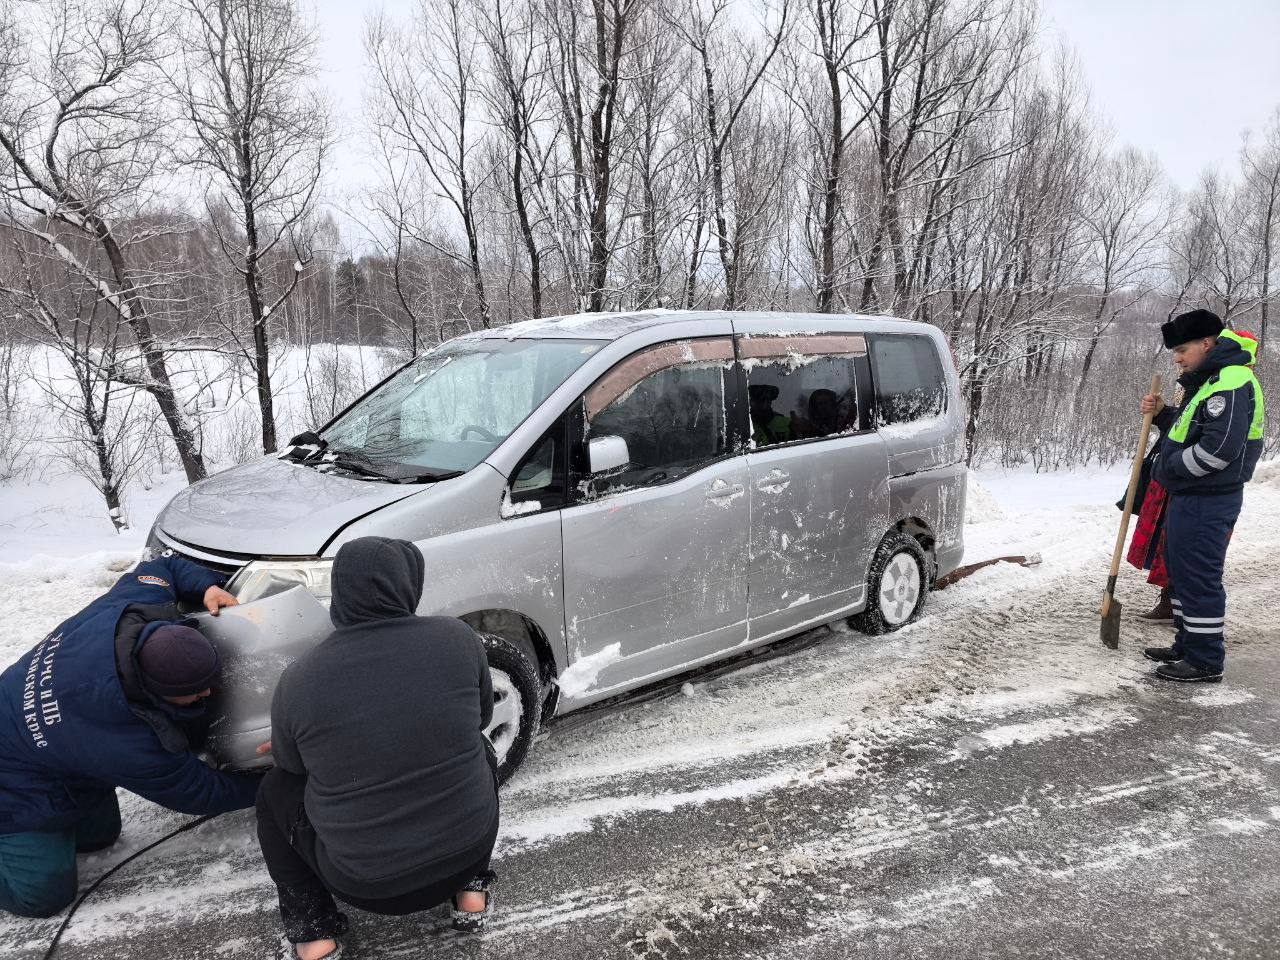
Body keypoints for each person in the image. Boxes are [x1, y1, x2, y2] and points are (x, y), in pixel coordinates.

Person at [255, 537, 499, 960]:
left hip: (367, 886)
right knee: (479, 748)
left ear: (340, 593)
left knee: (273, 791)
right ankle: (470, 891)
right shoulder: (458, 638)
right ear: (409, 585)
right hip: (469, 850)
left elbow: (292, 766)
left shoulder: (299, 680)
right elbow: (477, 720)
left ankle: (314, 934)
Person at [0, 552, 258, 918]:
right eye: (195, 692)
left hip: (43, 741)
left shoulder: (134, 606)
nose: (207, 694)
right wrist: (274, 784)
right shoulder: (124, 739)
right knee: (43, 894)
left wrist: (208, 587)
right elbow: (200, 792)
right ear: (154, 690)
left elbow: (163, 563)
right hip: (13, 783)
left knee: (99, 837)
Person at [1140, 309, 1265, 682]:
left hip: (1209, 497)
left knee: (1198, 576)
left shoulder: (1230, 381)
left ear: (1206, 344)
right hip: (1190, 494)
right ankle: (1188, 644)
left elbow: (1218, 450)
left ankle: (1205, 661)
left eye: (1182, 350)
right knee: (1180, 572)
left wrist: (1168, 469)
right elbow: (1189, 430)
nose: (1177, 359)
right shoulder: (1210, 380)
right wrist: (1164, 414)